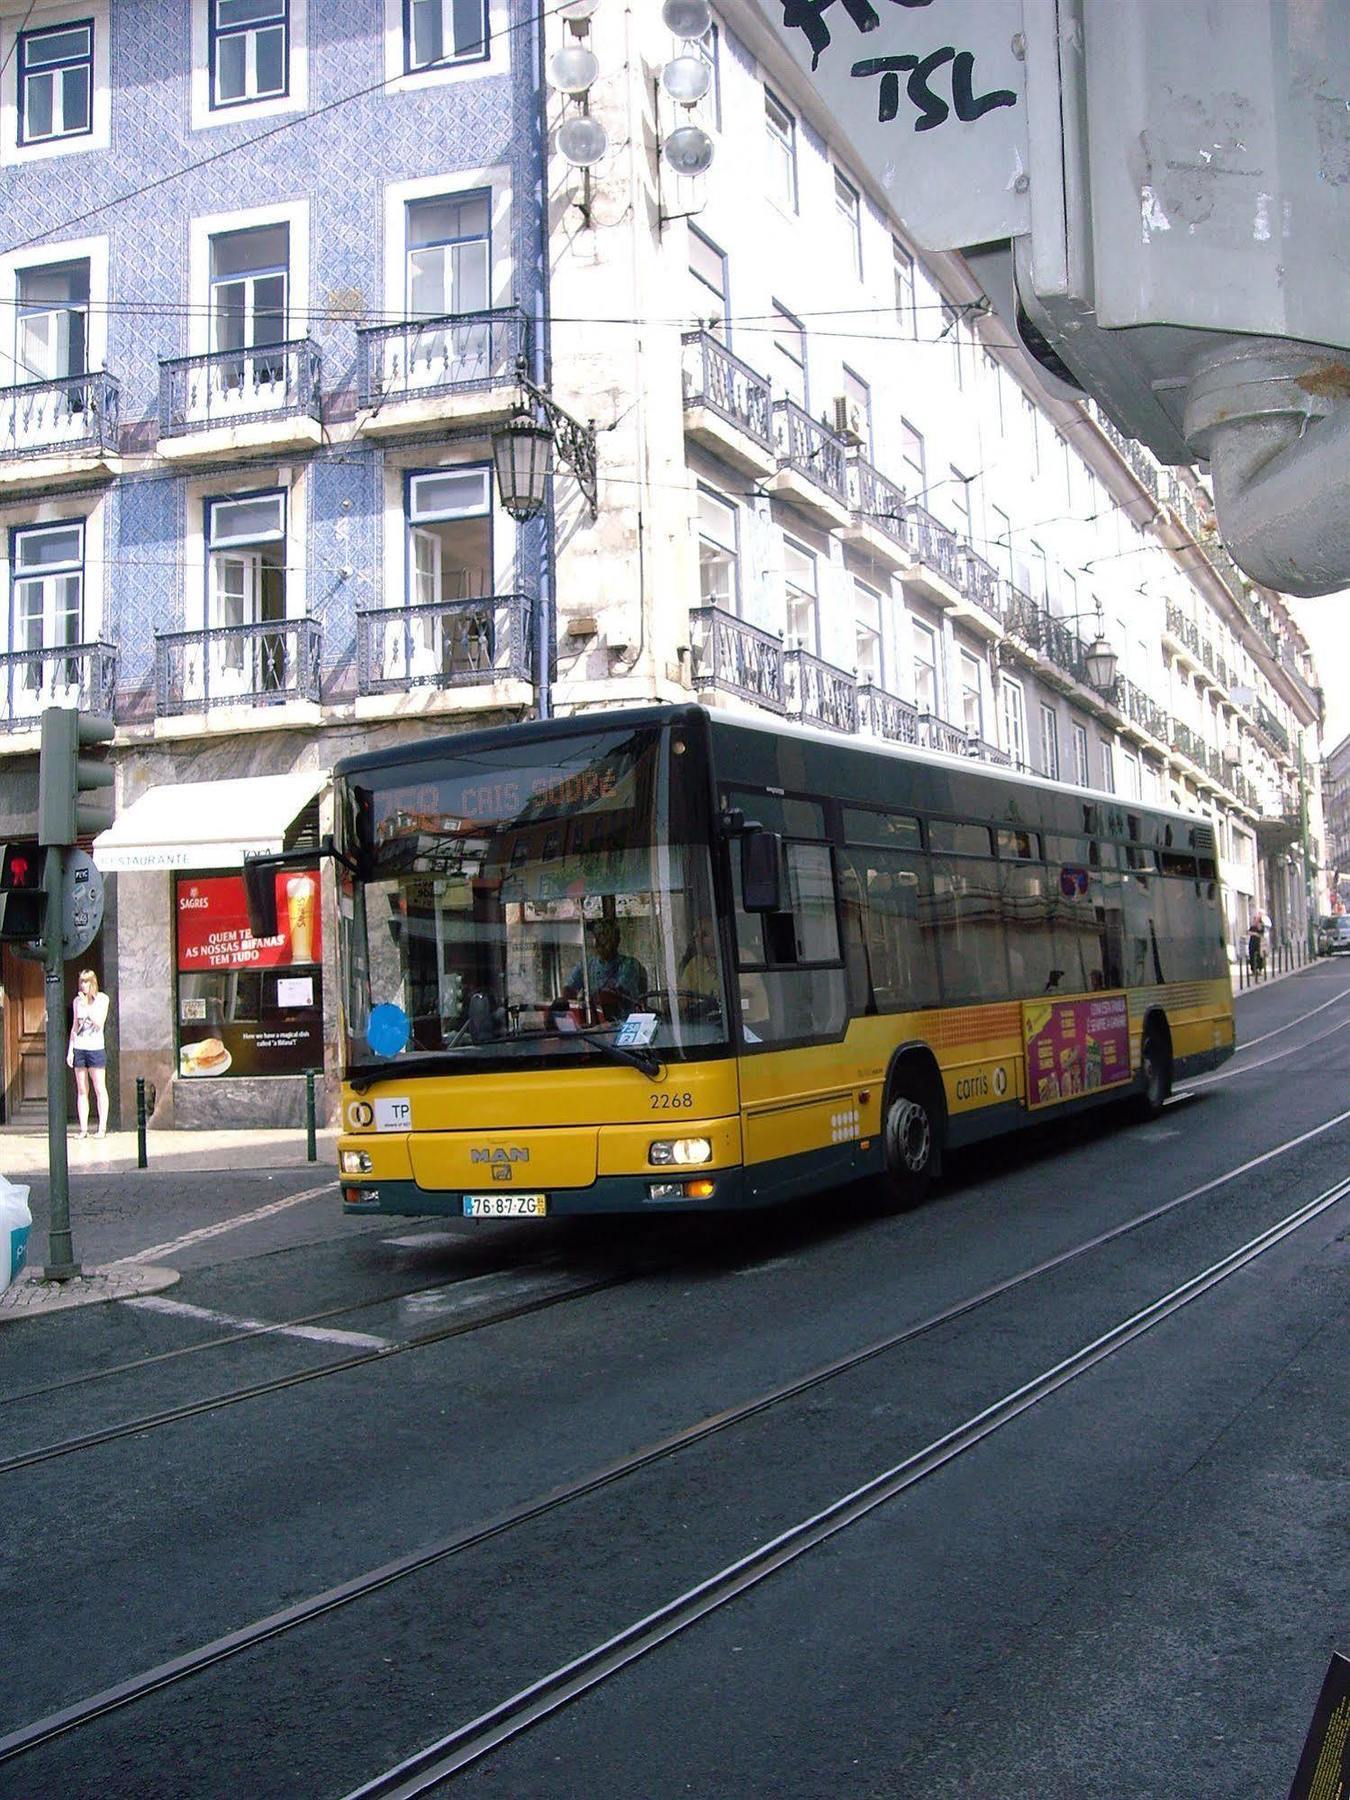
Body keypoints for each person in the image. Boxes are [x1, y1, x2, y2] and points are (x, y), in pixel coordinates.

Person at [562, 919, 649, 1021]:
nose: (599, 942)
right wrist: (564, 1002)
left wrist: (590, 1000)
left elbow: (612, 996)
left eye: (604, 936)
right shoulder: (587, 965)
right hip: (596, 1027)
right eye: (596, 936)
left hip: (624, 1025)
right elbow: (569, 989)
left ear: (616, 940)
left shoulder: (629, 965)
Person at [66, 969, 110, 1138]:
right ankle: (83, 1129)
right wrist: (71, 1050)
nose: (83, 985)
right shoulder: (77, 1001)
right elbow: (75, 1028)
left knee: (99, 1087)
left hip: (96, 1048)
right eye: (81, 982)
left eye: (86, 982)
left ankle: (102, 1128)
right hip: (80, 1047)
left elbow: (99, 1023)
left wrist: (87, 1006)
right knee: (82, 1089)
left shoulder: (102, 999)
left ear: (93, 983)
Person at [1247, 908, 1267, 975]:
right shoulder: (1253, 926)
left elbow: (1262, 934)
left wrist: (1255, 933)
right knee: (1252, 956)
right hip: (1252, 943)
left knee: (1259, 956)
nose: (1256, 919)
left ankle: (1260, 969)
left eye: (1257, 917)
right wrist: (1253, 933)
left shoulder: (1262, 925)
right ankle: (1253, 970)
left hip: (1259, 943)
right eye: (1255, 918)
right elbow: (1249, 932)